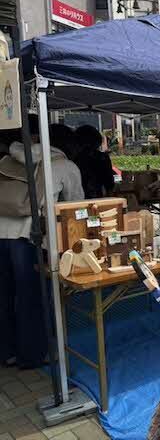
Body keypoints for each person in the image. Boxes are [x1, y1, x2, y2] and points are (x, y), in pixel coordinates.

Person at [0, 117, 84, 369]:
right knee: (32, 296)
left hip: (1, 233)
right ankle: (32, 355)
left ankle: (6, 352)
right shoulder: (64, 165)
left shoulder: (8, 158)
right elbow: (77, 206)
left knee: (4, 295)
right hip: (29, 237)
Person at [75, 125, 115, 199]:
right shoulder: (102, 158)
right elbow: (109, 184)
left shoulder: (74, 159)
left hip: (79, 198)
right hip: (97, 196)